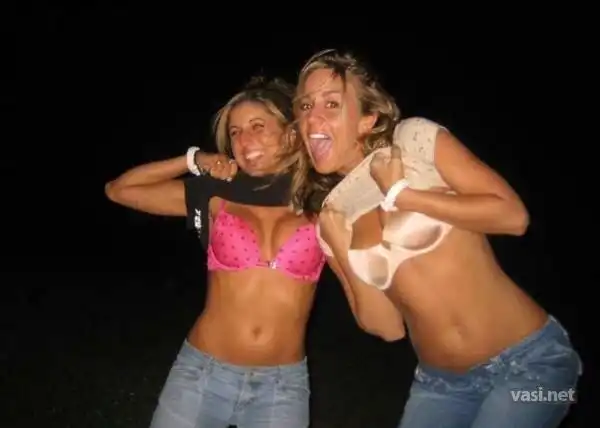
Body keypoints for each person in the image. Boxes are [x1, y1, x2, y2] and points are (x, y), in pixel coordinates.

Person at [293, 49, 582, 428]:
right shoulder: (332, 215)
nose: (312, 117)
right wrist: (342, 249)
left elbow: (513, 217)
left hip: (532, 364)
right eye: (305, 106)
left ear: (367, 118)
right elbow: (388, 327)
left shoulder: (412, 141)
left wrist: (403, 195)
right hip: (441, 385)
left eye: (331, 104)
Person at [105, 76, 325, 428]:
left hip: (282, 386)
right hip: (202, 373)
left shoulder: (321, 201)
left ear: (290, 134)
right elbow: (120, 190)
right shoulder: (216, 193)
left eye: (257, 126)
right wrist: (194, 160)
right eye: (236, 132)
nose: (244, 140)